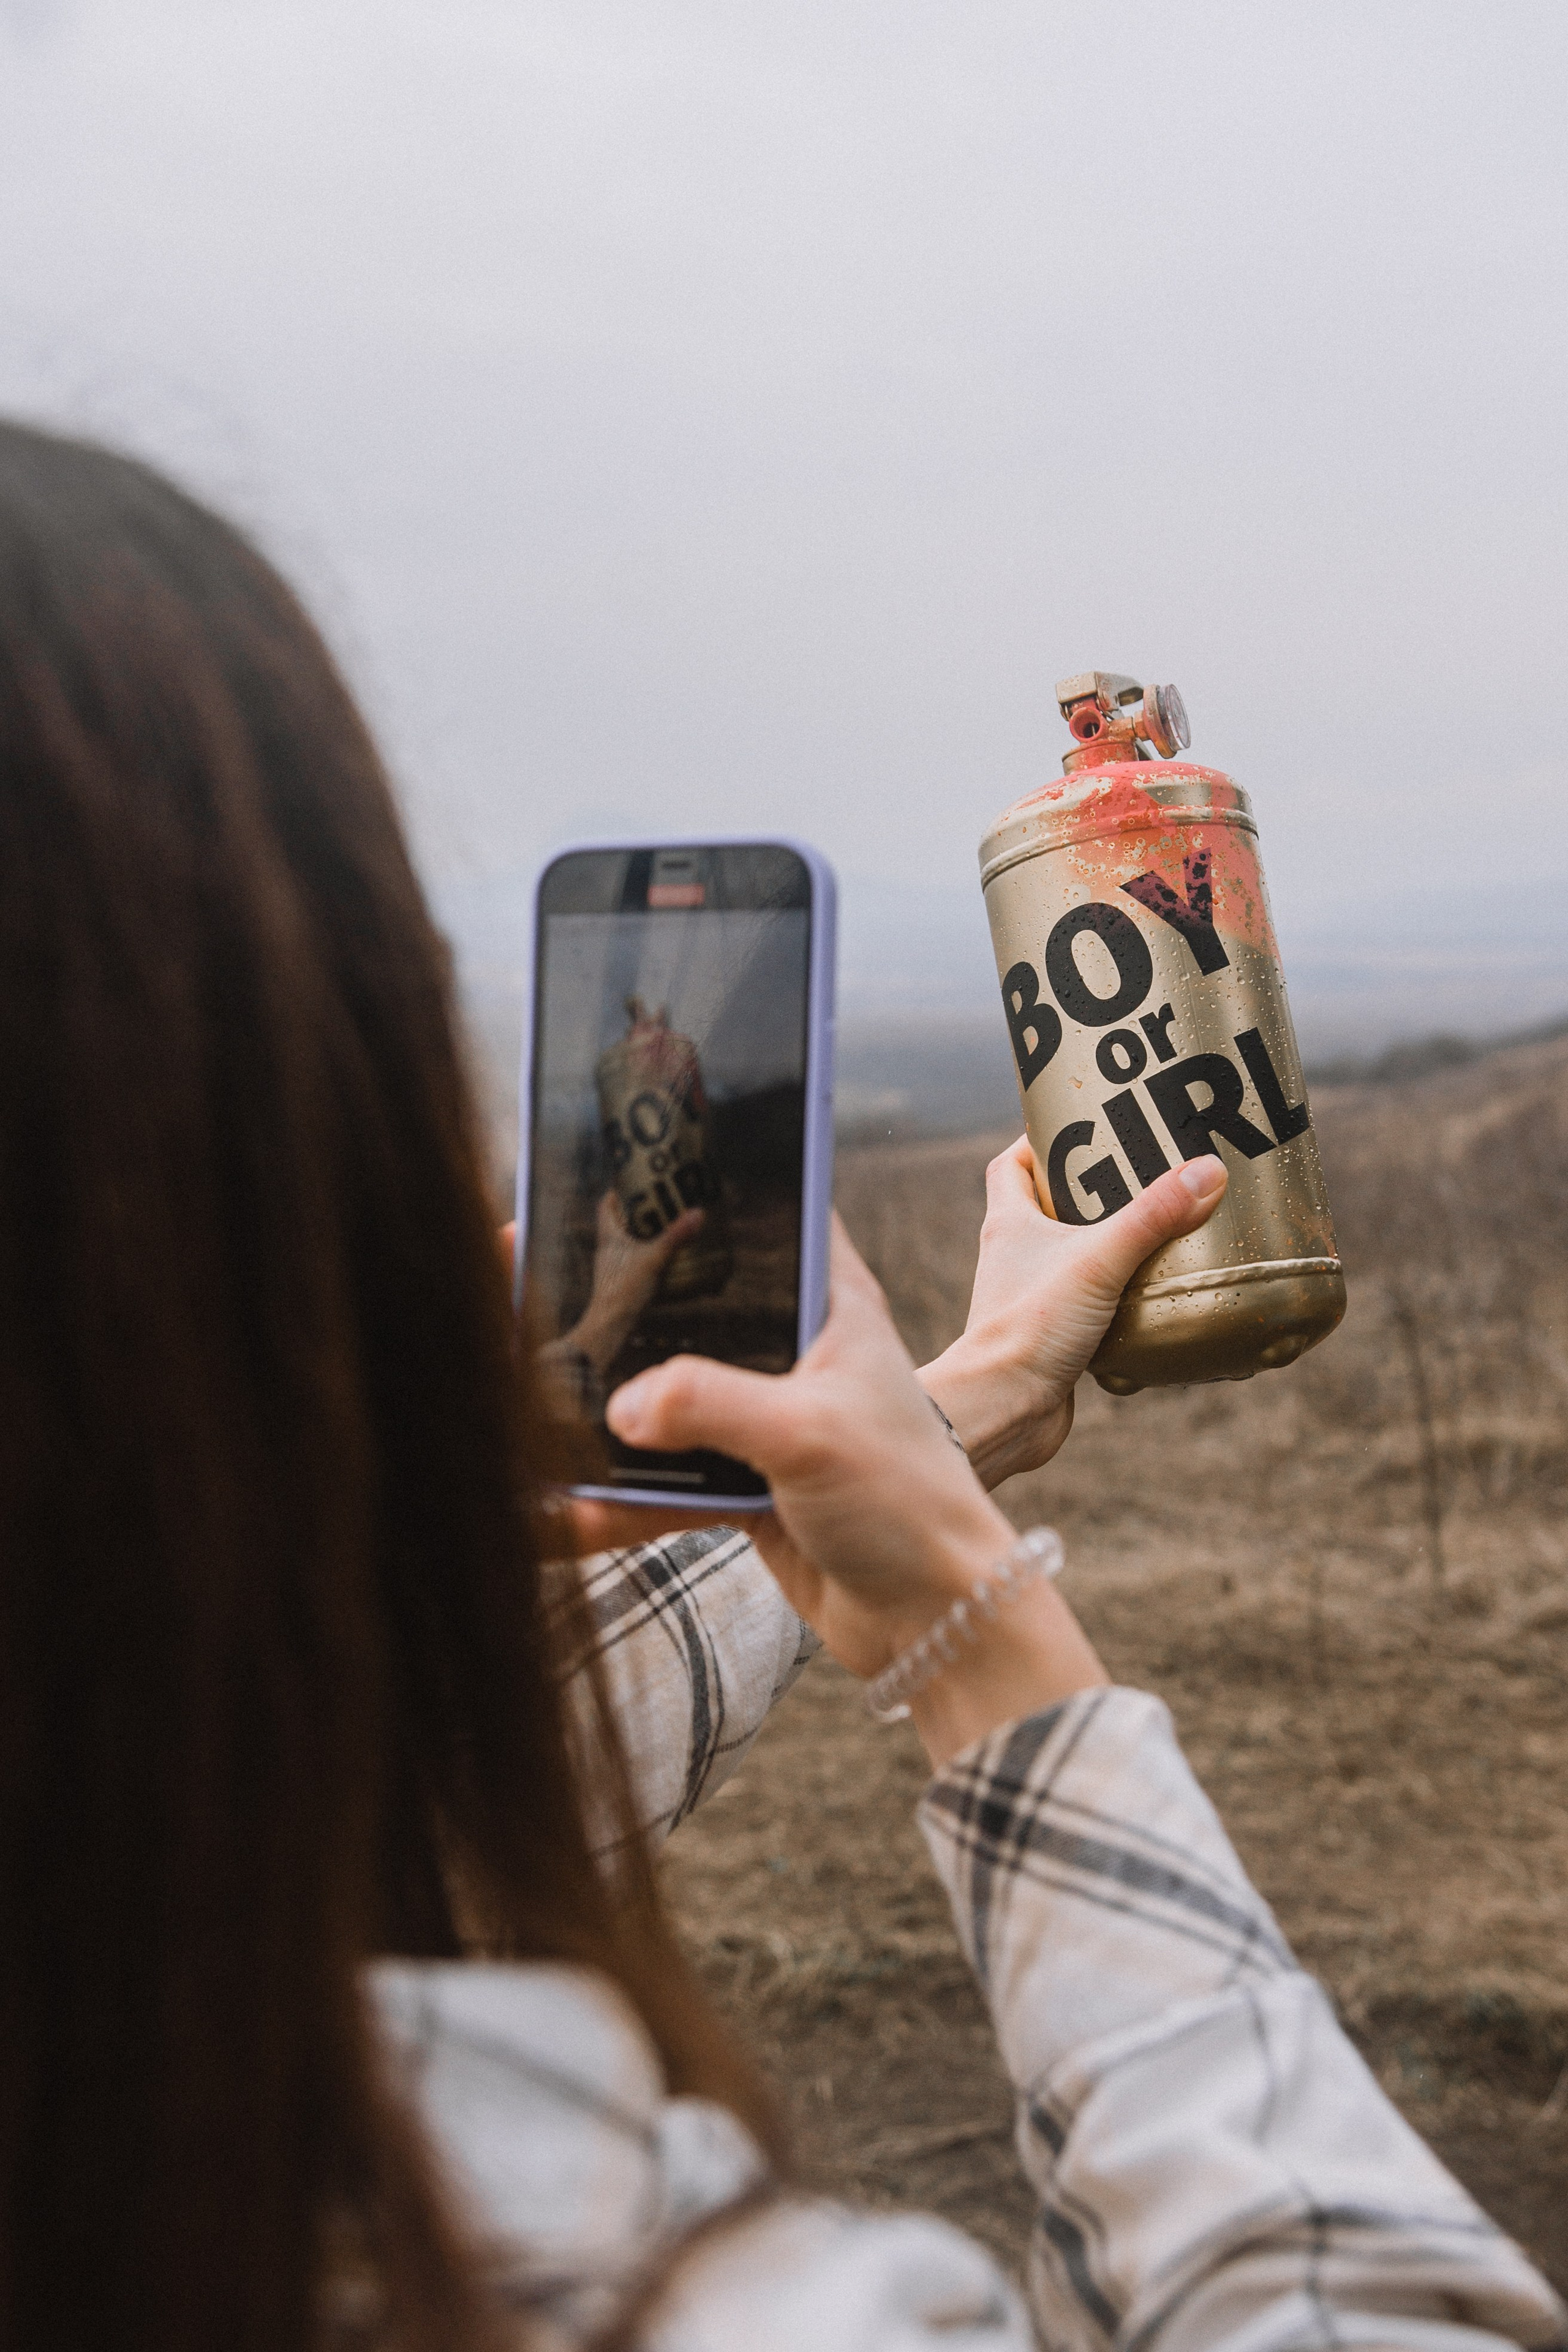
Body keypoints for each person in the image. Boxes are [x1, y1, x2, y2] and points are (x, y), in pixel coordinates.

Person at [0, 414, 1557, 2352]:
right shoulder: (572, 2284)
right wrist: (974, 1635)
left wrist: (959, 1402)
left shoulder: (117, 1938)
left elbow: (341, 1793)